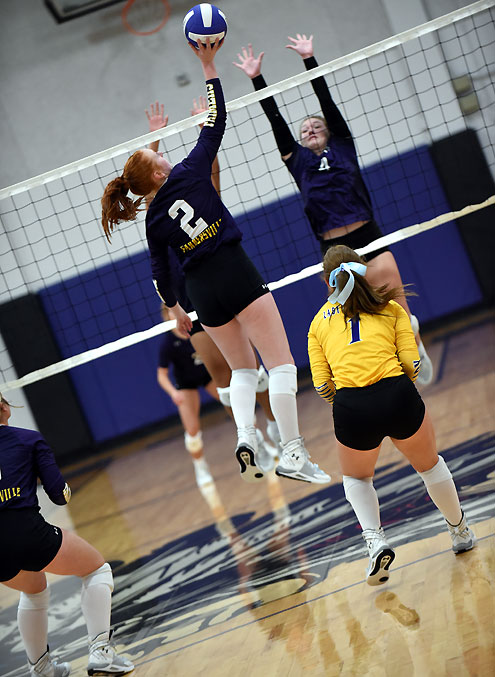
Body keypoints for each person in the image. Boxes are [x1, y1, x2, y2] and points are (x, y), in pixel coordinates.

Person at [101, 39, 330, 485]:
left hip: (201, 292)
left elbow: (159, 274)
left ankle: (247, 436)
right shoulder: (190, 171)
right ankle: (293, 454)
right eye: (158, 155)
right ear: (158, 172)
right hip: (233, 269)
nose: (164, 154)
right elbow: (217, 119)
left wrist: (175, 309)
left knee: (242, 371)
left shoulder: (153, 218)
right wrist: (208, 65)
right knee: (281, 365)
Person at [233, 34, 434, 387]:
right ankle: (371, 374)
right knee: (350, 318)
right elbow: (275, 120)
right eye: (304, 130)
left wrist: (309, 60)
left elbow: (326, 100)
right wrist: (256, 78)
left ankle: (413, 343)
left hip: (367, 236)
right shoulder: (297, 161)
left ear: (329, 132)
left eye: (316, 126)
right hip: (333, 250)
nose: (310, 130)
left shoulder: (343, 146)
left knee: (399, 309)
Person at [307, 244, 476, 586]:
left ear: (327, 281)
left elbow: (322, 385)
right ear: (364, 271)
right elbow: (413, 364)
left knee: (357, 479)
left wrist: (350, 401)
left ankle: (376, 542)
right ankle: (459, 532)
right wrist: (394, 387)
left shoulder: (316, 325)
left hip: (352, 408)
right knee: (430, 466)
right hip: (397, 395)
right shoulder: (391, 307)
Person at [146, 97, 282, 471]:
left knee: (250, 369)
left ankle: (273, 426)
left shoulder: (201, 196)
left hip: (220, 286)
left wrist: (200, 129)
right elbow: (145, 186)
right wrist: (154, 140)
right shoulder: (158, 218)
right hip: (192, 304)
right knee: (223, 379)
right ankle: (250, 434)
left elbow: (212, 172)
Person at [0, 393, 134, 676]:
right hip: (26, 531)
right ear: (4, 407)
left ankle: (42, 669)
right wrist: (63, 489)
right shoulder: (28, 439)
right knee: (96, 569)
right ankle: (101, 653)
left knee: (33, 589)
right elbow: (58, 495)